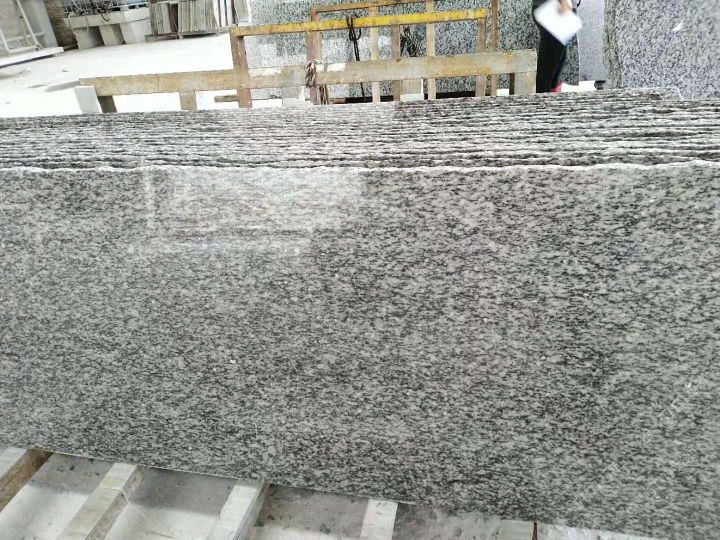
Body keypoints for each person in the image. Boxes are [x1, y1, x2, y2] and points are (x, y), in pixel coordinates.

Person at [532, 0, 577, 93]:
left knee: (557, 64)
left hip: (557, 8)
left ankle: (551, 98)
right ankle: (543, 100)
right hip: (555, 8)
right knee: (548, 71)